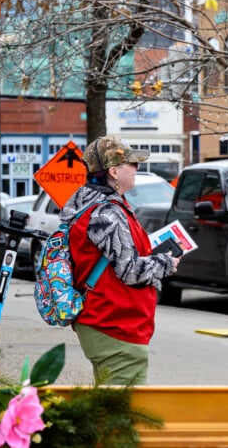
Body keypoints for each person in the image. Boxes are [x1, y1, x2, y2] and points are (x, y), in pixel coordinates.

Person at [62, 135, 180, 385]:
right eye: (131, 164)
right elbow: (130, 271)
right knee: (120, 415)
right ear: (114, 171)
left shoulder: (99, 208)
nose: (137, 168)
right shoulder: (105, 213)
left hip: (112, 323)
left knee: (119, 410)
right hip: (114, 324)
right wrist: (166, 263)